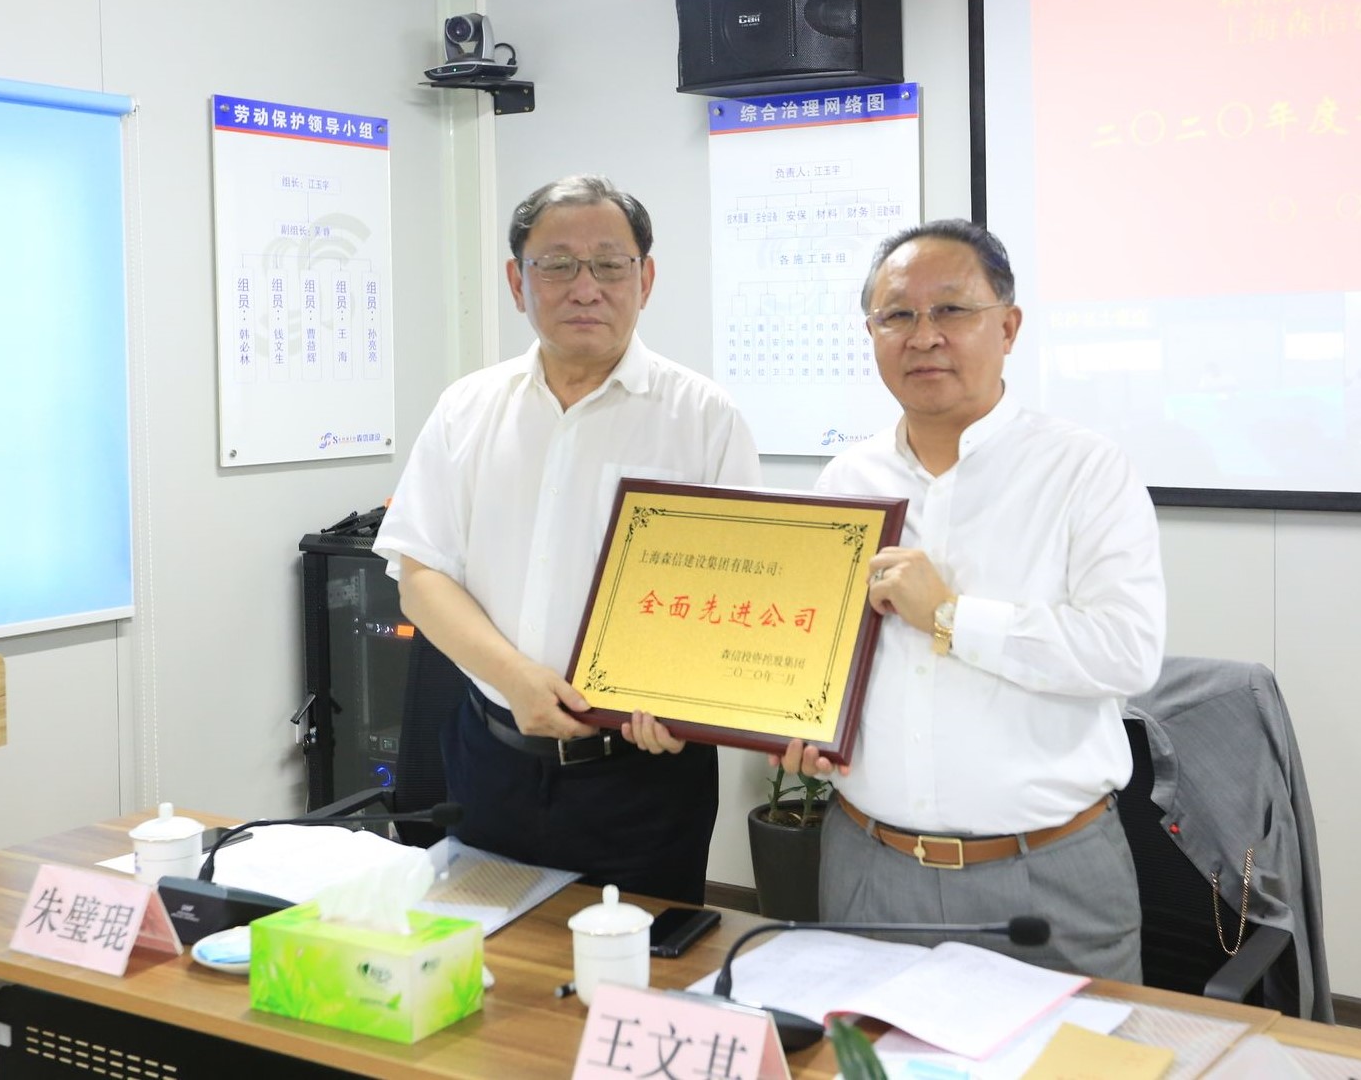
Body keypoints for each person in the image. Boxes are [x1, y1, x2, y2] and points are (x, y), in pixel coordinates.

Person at [781, 218, 1165, 980]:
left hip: (1045, 875)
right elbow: (822, 655)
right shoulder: (845, 481)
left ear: (1008, 327)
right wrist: (803, 726)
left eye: (951, 310)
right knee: (862, 1047)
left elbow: (1127, 652)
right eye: (896, 315)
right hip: (867, 865)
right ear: (871, 334)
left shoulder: (1084, 470)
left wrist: (951, 618)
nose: (923, 336)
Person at [374, 174, 760, 904]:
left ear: (645, 279)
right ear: (516, 282)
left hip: (644, 774)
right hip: (490, 755)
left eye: (610, 264)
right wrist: (517, 679)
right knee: (491, 953)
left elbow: (736, 595)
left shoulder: (704, 418)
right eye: (557, 265)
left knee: (641, 957)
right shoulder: (466, 408)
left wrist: (683, 700)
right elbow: (421, 575)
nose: (586, 287)